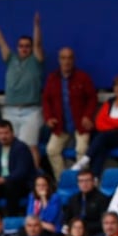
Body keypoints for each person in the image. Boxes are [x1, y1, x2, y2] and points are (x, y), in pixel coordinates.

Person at [0, 11, 45, 174]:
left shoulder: (36, 61)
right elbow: (1, 43)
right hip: (10, 109)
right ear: (17, 48)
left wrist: (37, 26)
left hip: (31, 110)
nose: (24, 49)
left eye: (27, 46)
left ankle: (33, 178)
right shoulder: (11, 59)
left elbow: (38, 44)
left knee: (30, 146)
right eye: (21, 46)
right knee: (8, 146)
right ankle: (10, 176)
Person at [42, 48, 96, 176]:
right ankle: (63, 181)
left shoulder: (82, 77)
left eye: (69, 58)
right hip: (61, 124)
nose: (67, 61)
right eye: (63, 58)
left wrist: (88, 116)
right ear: (59, 60)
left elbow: (92, 98)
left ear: (74, 60)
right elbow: (46, 100)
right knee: (51, 150)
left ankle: (82, 182)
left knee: (82, 150)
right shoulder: (52, 78)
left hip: (80, 124)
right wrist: (49, 118)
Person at [82, 74, 118, 177]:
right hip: (108, 136)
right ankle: (94, 178)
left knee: (101, 137)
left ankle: (86, 159)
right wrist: (117, 123)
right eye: (117, 85)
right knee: (101, 146)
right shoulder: (109, 102)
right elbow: (99, 123)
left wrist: (108, 121)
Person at [63, 170, 107, 236]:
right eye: (81, 181)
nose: (84, 184)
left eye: (87, 180)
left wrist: (82, 227)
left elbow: (103, 223)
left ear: (93, 182)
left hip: (93, 233)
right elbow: (67, 218)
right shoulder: (73, 199)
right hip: (74, 232)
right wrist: (67, 226)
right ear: (78, 183)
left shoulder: (102, 199)